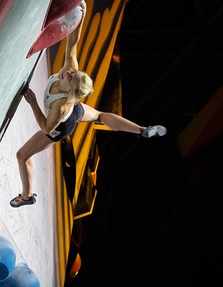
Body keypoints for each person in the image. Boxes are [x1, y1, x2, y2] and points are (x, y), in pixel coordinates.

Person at [10, 1, 166, 207]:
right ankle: (141, 129)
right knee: (100, 115)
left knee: (22, 155)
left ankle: (27, 197)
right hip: (77, 110)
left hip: (60, 126)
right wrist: (80, 12)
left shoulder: (61, 106)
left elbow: (47, 127)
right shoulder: (70, 70)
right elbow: (73, 41)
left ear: (70, 91)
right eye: (74, 73)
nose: (69, 73)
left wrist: (32, 103)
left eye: (71, 78)